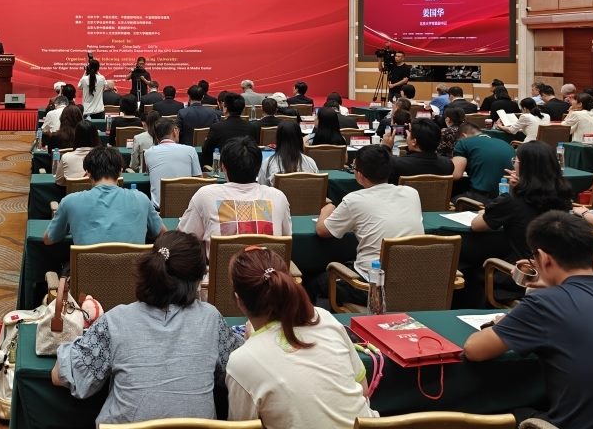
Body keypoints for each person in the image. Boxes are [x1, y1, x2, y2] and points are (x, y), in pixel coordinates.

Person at [53, 230, 244, 425]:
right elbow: (237, 372)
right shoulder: (210, 318)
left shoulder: (116, 321)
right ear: (197, 280)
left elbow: (61, 376)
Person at [463, 211, 593, 429]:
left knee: (496, 412)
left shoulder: (545, 303)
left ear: (544, 259)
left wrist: (503, 324)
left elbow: (474, 349)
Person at [226, 247, 378, 429]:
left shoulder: (240, 362)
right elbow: (363, 390)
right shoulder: (324, 317)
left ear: (238, 300)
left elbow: (243, 424)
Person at [316, 144, 423, 301]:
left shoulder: (354, 200)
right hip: (413, 282)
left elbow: (322, 231)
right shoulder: (411, 193)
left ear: (359, 175)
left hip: (372, 286)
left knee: (316, 282)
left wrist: (327, 209)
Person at [470, 143, 571, 303]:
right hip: (556, 274)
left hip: (520, 275)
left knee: (472, 268)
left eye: (515, 161)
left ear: (524, 166)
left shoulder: (513, 201)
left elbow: (477, 225)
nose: (513, 164)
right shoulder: (563, 196)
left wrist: (512, 192)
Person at [179, 137, 292, 251]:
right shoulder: (278, 197)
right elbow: (286, 240)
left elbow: (183, 240)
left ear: (224, 168)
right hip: (268, 262)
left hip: (221, 264)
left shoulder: (205, 195)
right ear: (259, 168)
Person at [44, 146, 164, 246]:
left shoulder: (70, 202)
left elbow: (48, 239)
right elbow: (162, 234)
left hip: (87, 268)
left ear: (88, 174)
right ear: (120, 172)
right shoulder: (141, 199)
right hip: (134, 268)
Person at [451, 122, 516, 204]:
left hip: (482, 199)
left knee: (449, 200)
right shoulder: (506, 144)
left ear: (463, 136)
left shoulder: (463, 142)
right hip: (509, 198)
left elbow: (455, 175)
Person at [145, 118, 201, 208]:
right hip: (186, 209)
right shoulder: (190, 150)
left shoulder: (148, 153)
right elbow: (199, 181)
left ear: (156, 136)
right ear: (174, 131)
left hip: (158, 211)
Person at [380, 118, 453, 183]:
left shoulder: (396, 164)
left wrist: (386, 147)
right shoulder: (447, 164)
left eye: (409, 133)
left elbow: (379, 171)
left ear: (414, 142)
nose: (407, 136)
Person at [200, 93, 257, 167]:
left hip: (223, 168)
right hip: (246, 167)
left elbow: (206, 150)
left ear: (225, 109)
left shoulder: (217, 127)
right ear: (243, 109)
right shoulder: (252, 127)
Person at [258, 120, 319, 185]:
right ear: (299, 138)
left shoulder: (267, 164)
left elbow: (262, 187)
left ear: (278, 139)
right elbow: (317, 186)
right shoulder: (310, 163)